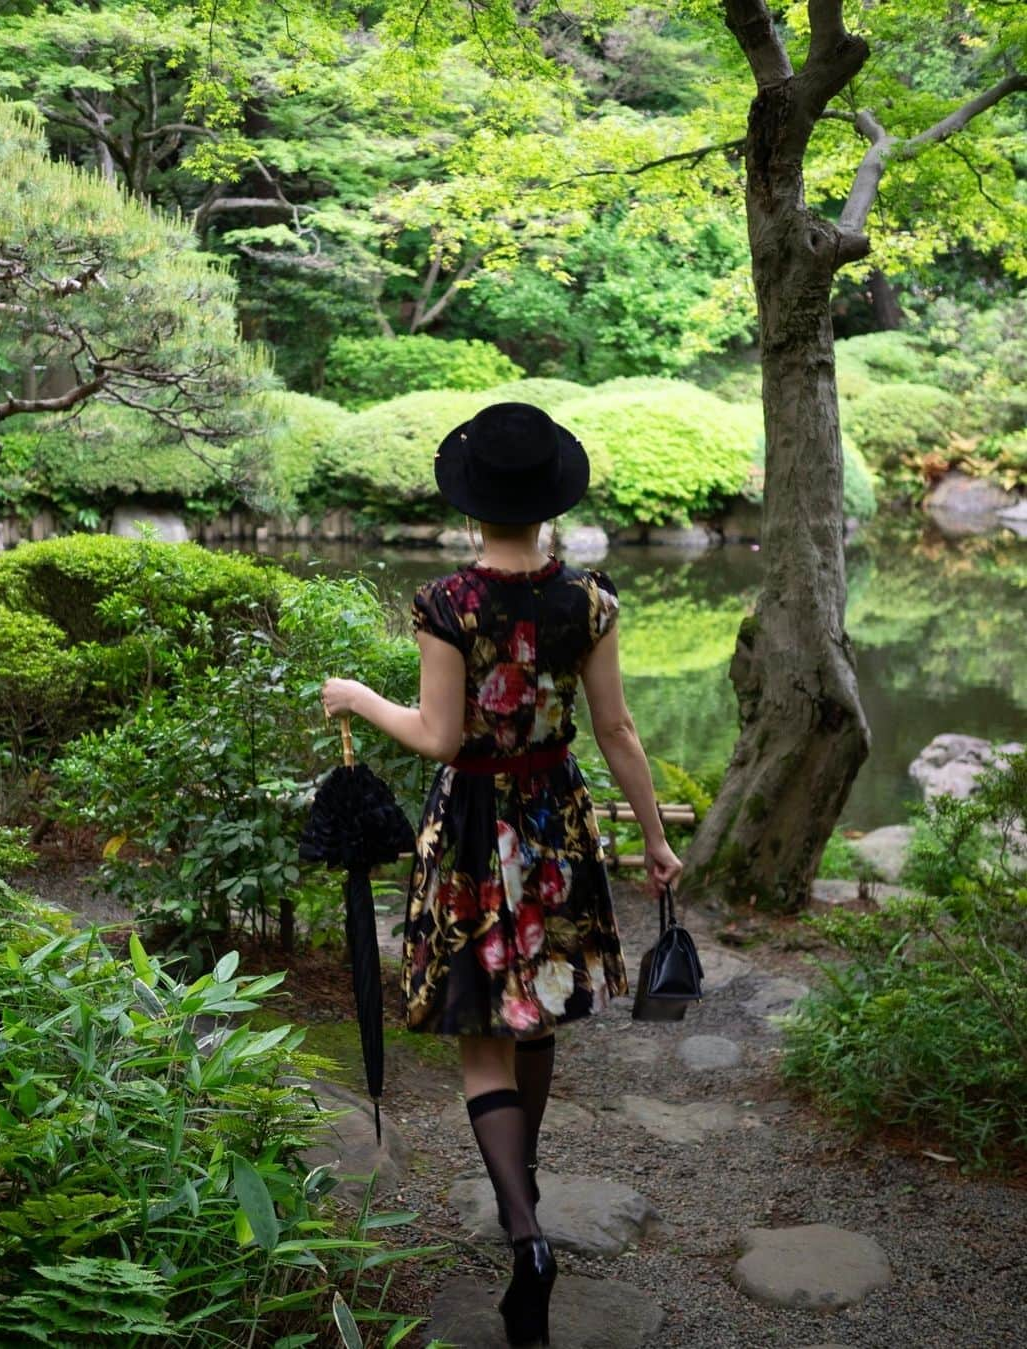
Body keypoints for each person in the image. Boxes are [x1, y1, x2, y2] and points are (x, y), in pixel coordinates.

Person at [322, 402, 683, 1347]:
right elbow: (617, 731)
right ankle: (527, 1198)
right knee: (536, 1016)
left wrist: (360, 698)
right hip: (555, 822)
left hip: (474, 826)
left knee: (480, 1034)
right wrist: (654, 837)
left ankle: (523, 1233)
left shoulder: (448, 602)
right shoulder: (592, 601)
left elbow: (438, 736)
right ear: (549, 500)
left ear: (472, 503)